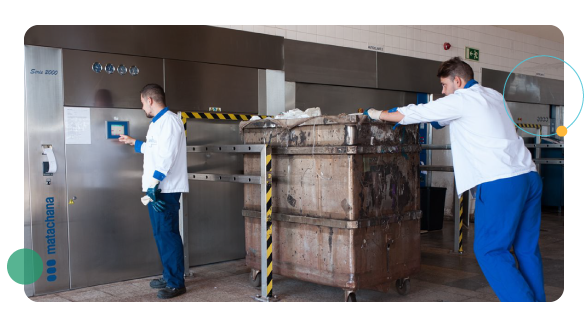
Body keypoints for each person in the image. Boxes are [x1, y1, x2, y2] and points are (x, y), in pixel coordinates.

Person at [365, 57, 545, 302]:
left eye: (444, 86)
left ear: (457, 81)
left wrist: (377, 114)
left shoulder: (461, 100)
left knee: (490, 250)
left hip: (500, 181)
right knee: (526, 249)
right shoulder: (492, 95)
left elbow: (414, 113)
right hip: (529, 176)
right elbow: (442, 119)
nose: (442, 92)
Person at [118, 84, 189, 300]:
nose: (142, 108)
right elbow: (155, 150)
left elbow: (166, 156)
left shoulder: (169, 121)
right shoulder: (158, 123)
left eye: (142, 103)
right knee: (161, 234)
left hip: (163, 189)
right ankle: (169, 276)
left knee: (167, 235)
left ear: (150, 100)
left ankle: (176, 283)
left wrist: (154, 184)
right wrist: (135, 143)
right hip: (157, 188)